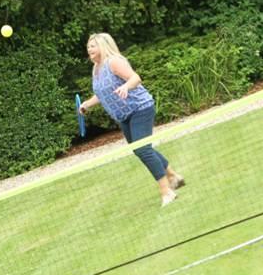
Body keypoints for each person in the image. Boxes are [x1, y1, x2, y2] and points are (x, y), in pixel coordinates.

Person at [79, 32, 185, 206]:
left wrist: (126, 87)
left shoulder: (113, 62)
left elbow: (136, 78)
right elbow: (101, 94)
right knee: (140, 149)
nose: (89, 48)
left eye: (93, 45)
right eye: (88, 46)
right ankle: (173, 176)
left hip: (140, 108)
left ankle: (167, 192)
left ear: (103, 46)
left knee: (143, 149)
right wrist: (86, 104)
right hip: (123, 115)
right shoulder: (95, 69)